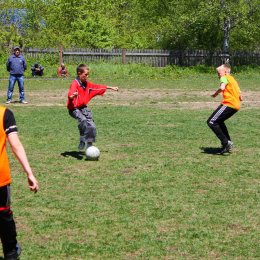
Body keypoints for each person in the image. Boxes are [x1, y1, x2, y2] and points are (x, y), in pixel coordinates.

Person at [0, 105, 39, 259]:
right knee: (3, 214)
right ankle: (10, 252)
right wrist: (29, 173)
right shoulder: (4, 113)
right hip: (0, 179)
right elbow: (15, 144)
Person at [67, 64, 119, 150]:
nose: (87, 76)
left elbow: (97, 87)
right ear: (79, 73)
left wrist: (110, 87)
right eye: (86, 74)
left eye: (88, 74)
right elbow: (71, 94)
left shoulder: (87, 84)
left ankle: (89, 145)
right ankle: (82, 139)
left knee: (91, 125)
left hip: (83, 108)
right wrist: (72, 96)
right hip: (74, 108)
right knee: (83, 120)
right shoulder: (74, 83)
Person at [207, 64, 242, 154]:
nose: (218, 75)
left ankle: (226, 143)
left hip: (229, 104)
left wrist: (216, 93)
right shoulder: (233, 79)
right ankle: (228, 143)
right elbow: (240, 94)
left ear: (225, 72)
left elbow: (222, 87)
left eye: (219, 73)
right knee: (219, 121)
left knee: (211, 122)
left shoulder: (224, 77)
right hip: (236, 105)